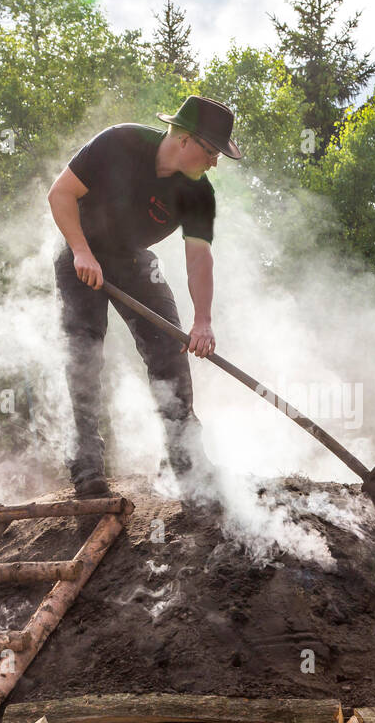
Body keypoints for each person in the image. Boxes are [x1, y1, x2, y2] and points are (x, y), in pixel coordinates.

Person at [46, 95, 241, 499]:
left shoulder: (199, 194)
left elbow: (199, 257)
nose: (215, 162)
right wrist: (82, 251)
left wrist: (202, 320)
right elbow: (60, 194)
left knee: (169, 347)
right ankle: (85, 465)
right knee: (84, 352)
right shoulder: (119, 143)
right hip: (81, 249)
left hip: (133, 261)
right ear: (185, 140)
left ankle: (185, 461)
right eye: (212, 151)